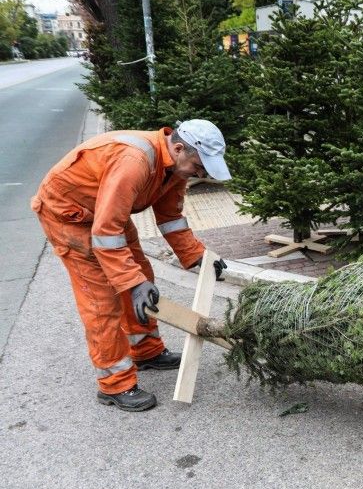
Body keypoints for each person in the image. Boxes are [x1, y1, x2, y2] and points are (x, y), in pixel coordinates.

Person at [31, 119, 231, 413]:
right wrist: (131, 283)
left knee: (143, 277)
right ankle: (115, 384)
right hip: (70, 216)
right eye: (199, 167)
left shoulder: (175, 167)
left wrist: (196, 255)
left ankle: (147, 351)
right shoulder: (134, 160)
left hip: (105, 216)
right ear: (178, 148)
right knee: (103, 300)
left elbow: (170, 216)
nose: (200, 174)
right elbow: (105, 233)